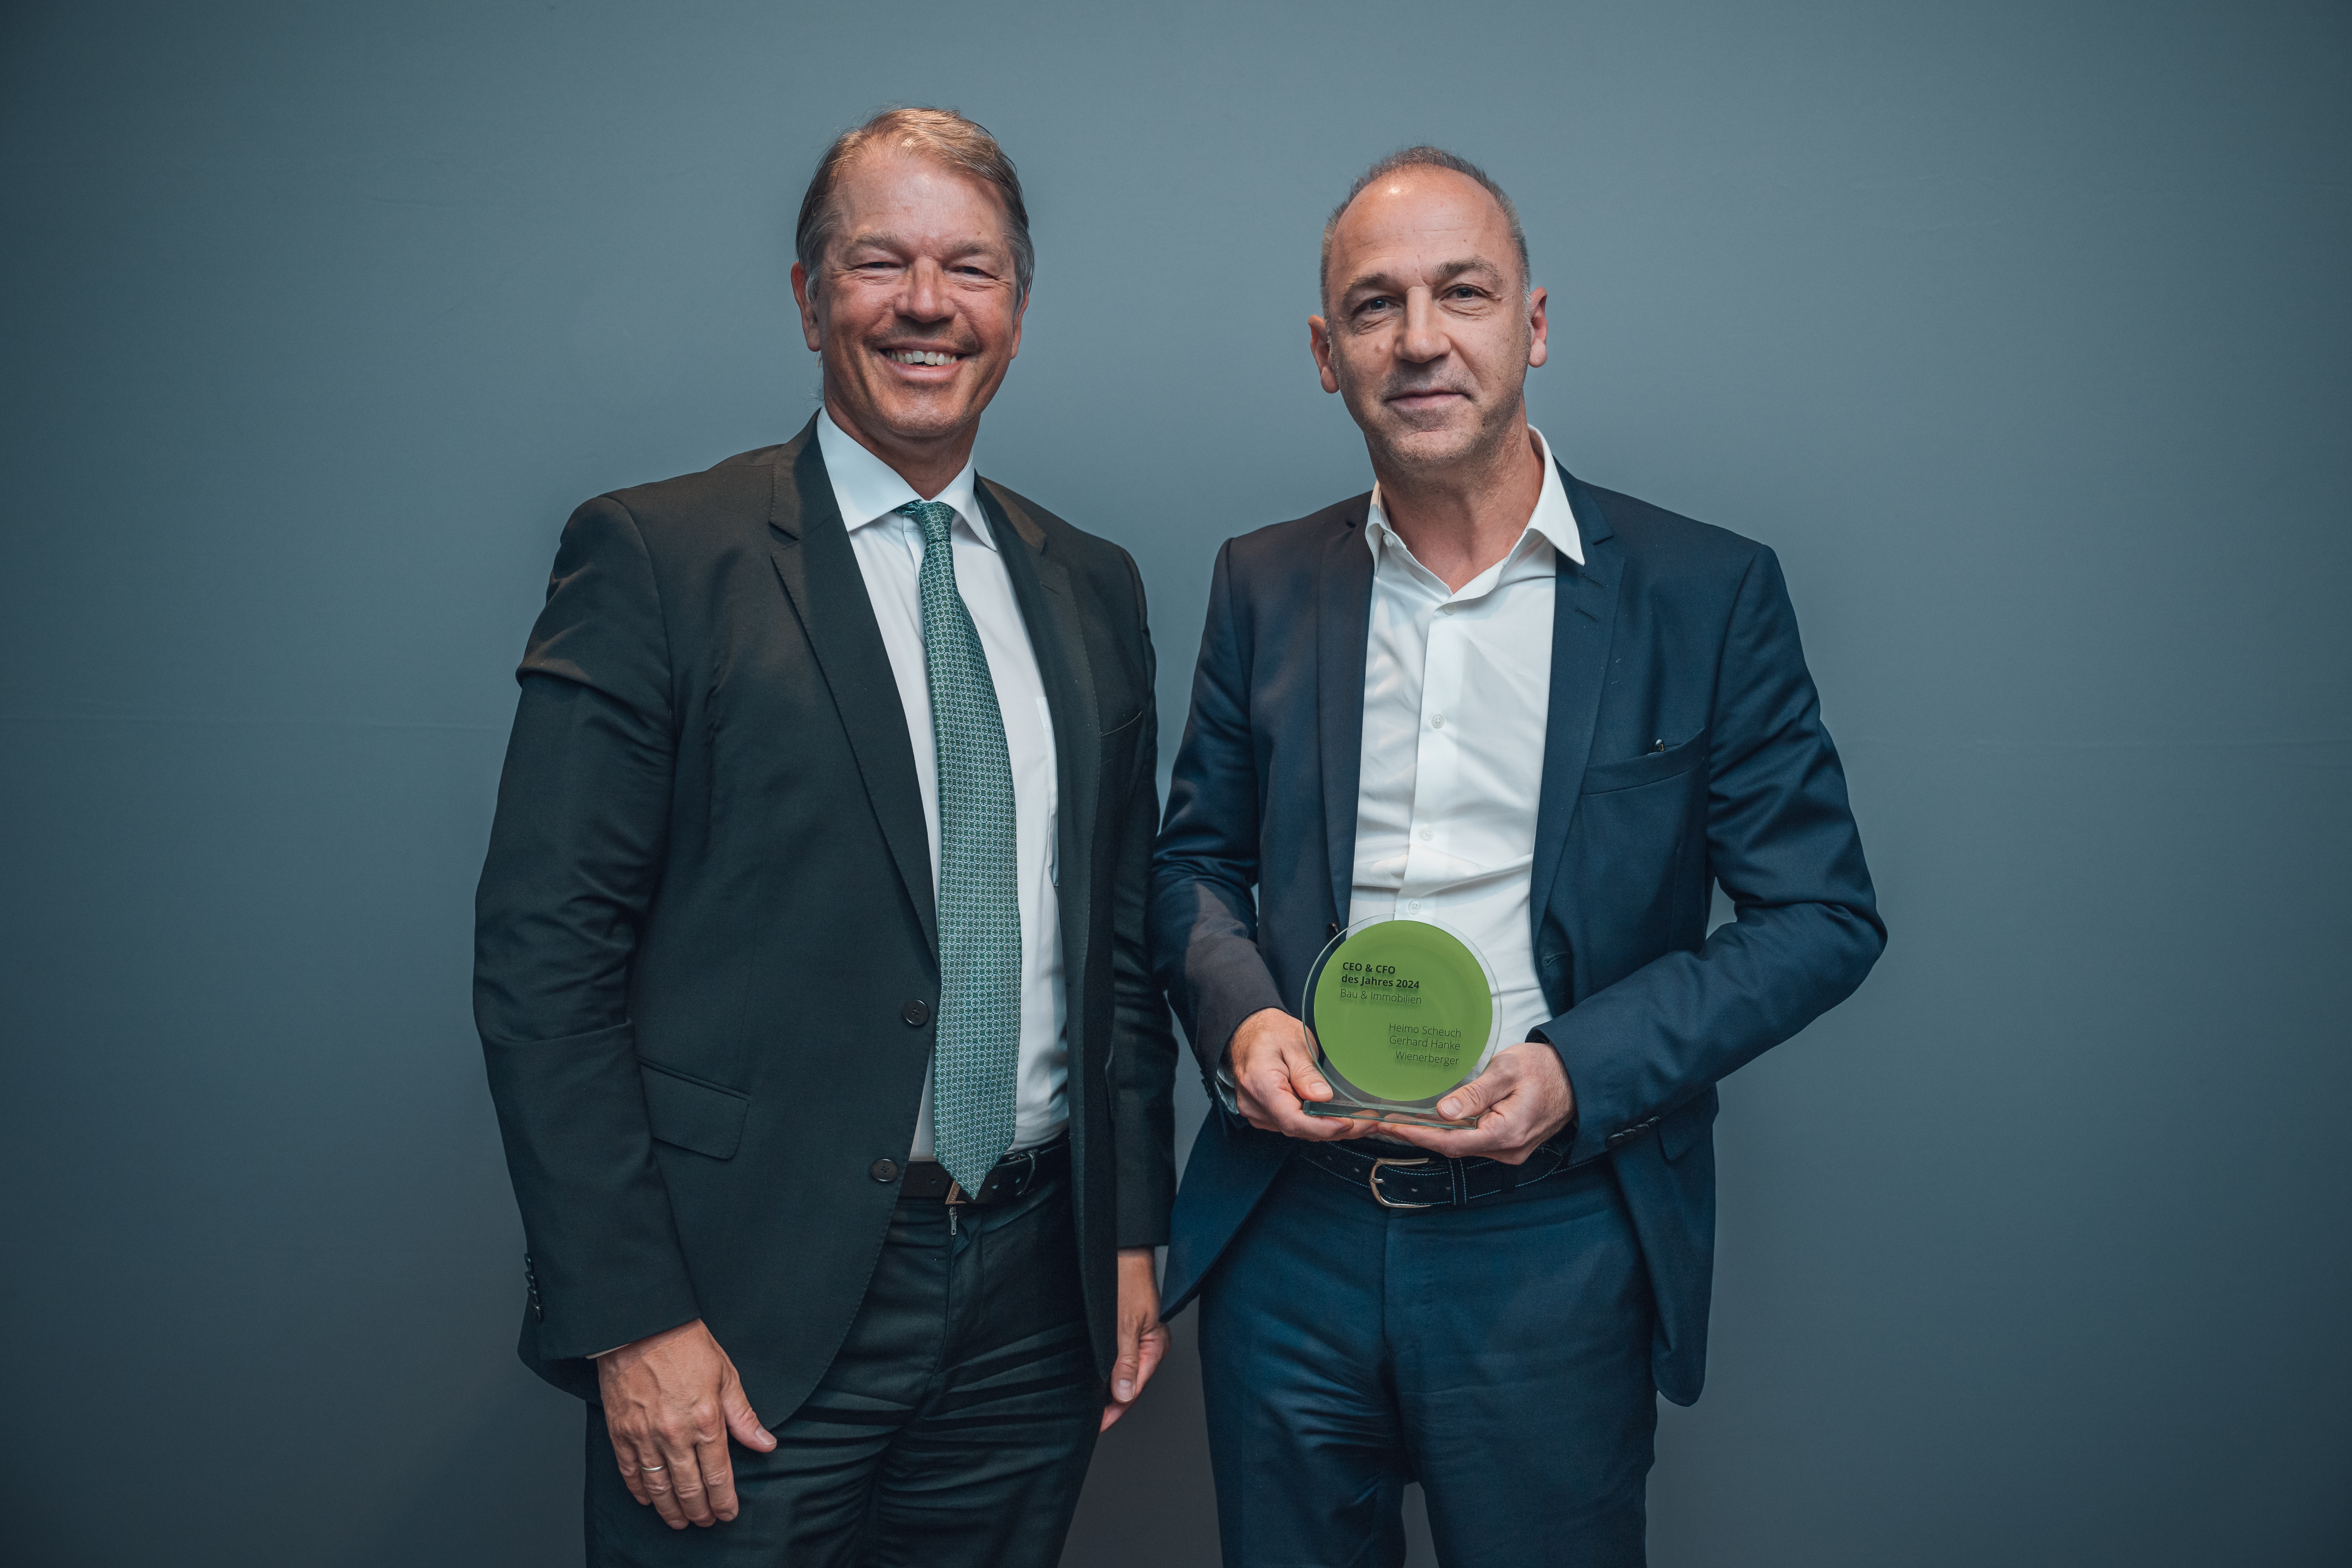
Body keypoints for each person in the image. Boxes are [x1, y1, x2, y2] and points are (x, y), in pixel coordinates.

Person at [1151, 146, 1886, 1565]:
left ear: (1531, 326)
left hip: (1552, 1242)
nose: (1418, 338)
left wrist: (1577, 1068)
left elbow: (1820, 915)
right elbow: (1193, 863)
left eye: (1463, 293)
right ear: (1326, 354)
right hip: (1288, 1238)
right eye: (1374, 305)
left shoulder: (1704, 593)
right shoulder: (1263, 581)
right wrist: (1239, 1020)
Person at [475, 107, 1175, 1566]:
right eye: (879, 262)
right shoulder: (659, 558)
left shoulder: (1092, 586)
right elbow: (546, 964)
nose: (927, 304)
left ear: (1017, 309)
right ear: (808, 299)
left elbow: (1116, 943)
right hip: (743, 1313)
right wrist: (631, 1317)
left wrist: (1126, 1231)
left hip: (1033, 1306)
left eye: (970, 269)